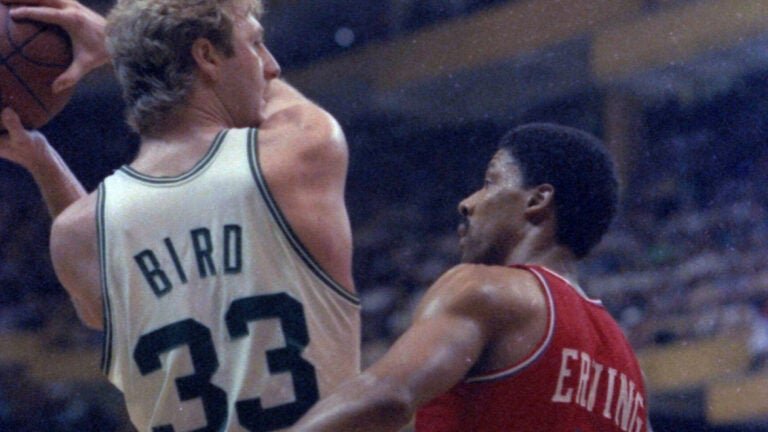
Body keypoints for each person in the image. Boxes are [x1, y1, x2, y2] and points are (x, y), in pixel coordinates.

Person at [0, 0, 361, 430]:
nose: (271, 66)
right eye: (255, 44)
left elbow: (106, 283)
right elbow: (274, 95)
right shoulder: (301, 149)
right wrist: (116, 42)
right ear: (206, 55)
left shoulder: (75, 234)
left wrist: (43, 161)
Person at [292, 123, 651, 432]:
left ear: (537, 200)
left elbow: (389, 395)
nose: (467, 202)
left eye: (490, 182)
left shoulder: (486, 289)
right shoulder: (627, 366)